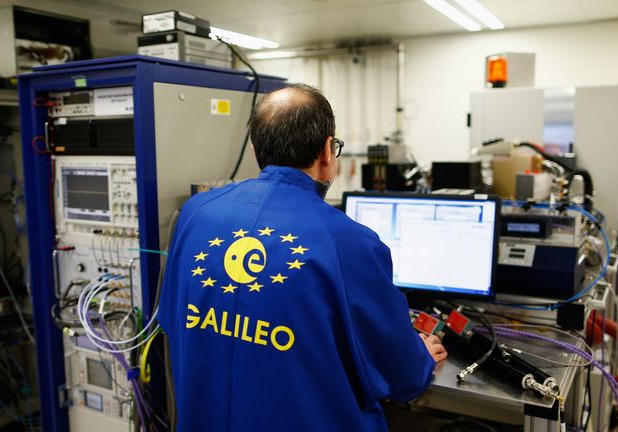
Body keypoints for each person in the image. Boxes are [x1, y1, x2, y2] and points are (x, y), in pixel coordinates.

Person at [158, 83, 447, 431]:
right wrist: (422, 359)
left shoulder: (195, 214)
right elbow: (403, 378)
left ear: (255, 150)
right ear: (328, 151)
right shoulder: (350, 243)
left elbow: (175, 323)